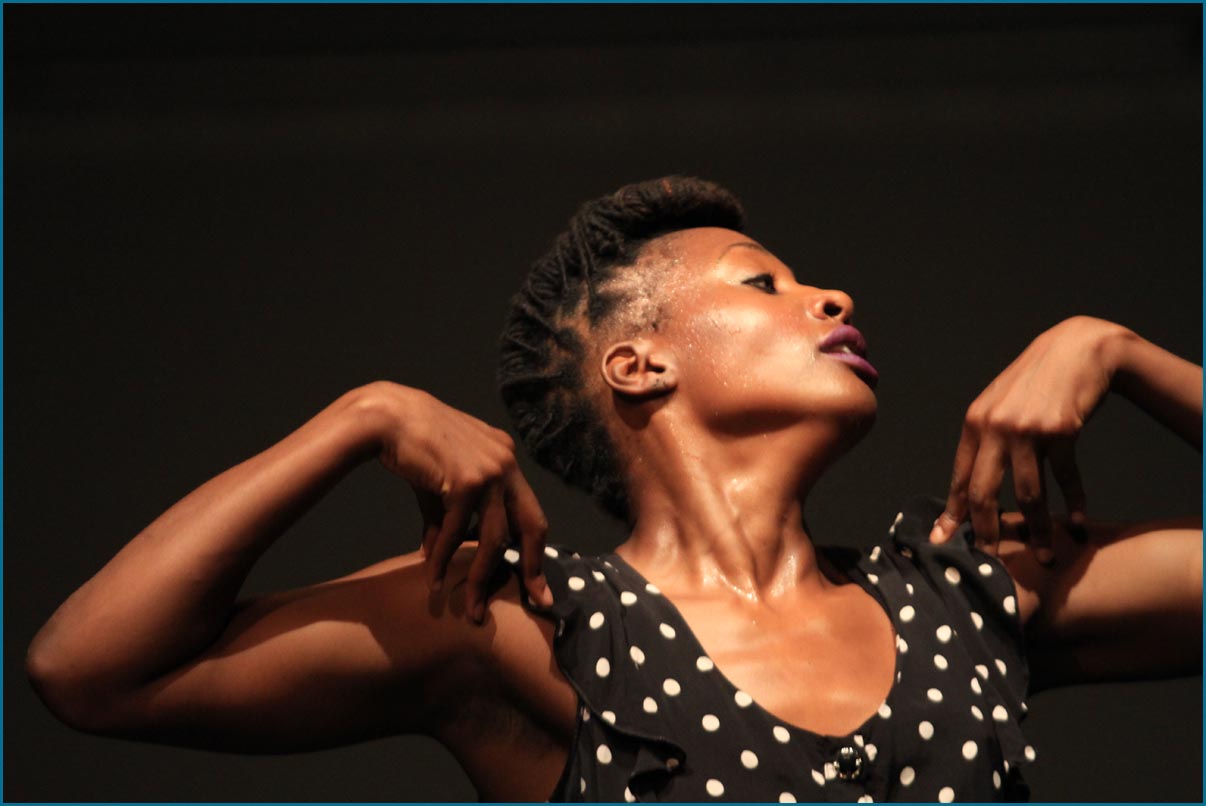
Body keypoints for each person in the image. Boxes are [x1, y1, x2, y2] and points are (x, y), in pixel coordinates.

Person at [26, 177, 1202, 802]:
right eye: (763, 282)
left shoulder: (962, 590)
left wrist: (1120, 350)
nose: (833, 297)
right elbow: (92, 669)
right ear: (637, 364)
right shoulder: (537, 628)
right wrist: (359, 418)